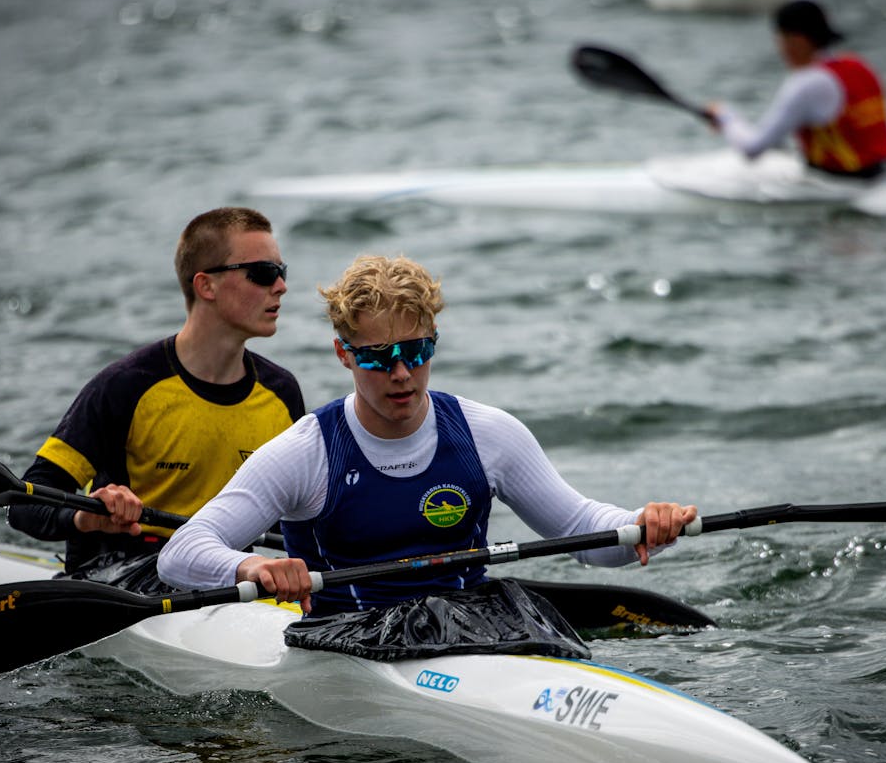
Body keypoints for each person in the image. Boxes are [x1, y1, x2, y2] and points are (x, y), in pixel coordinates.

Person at [157, 254, 696, 621]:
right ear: (344, 354)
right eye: (377, 357)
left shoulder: (488, 435)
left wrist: (641, 525)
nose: (401, 374)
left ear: (433, 343)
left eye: (416, 352)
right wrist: (252, 566)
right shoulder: (307, 452)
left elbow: (583, 531)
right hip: (346, 642)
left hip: (472, 628)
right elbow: (182, 555)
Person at [8, 207, 305, 592]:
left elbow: (303, 520)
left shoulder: (281, 394)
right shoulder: (126, 387)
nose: (280, 286)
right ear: (206, 286)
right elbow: (24, 504)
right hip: (119, 573)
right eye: (263, 273)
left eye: (283, 273)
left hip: (229, 573)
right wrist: (87, 516)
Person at [710, 0, 886, 180]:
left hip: (844, 182)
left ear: (798, 41)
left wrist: (725, 117)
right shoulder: (859, 65)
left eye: (781, 39)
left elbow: (752, 148)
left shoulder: (806, 82)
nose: (780, 48)